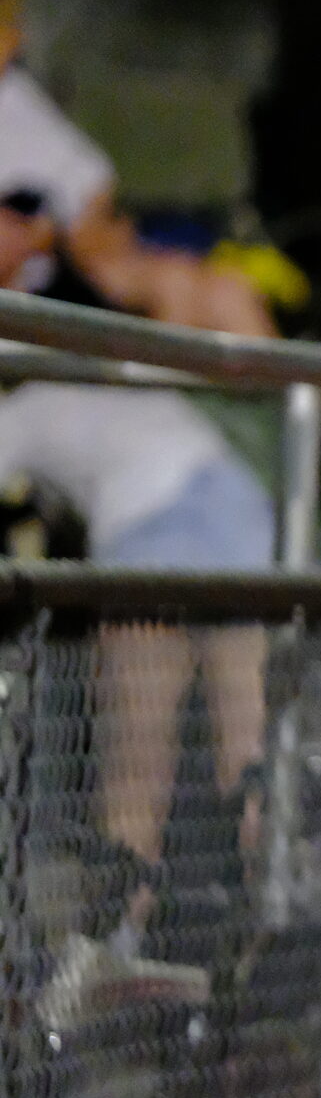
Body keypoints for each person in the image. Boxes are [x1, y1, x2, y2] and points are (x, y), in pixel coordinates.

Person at [0, 186, 271, 953]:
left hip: (176, 512)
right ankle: (214, 932)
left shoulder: (73, 307)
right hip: (201, 505)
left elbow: (161, 279)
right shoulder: (33, 385)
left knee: (165, 749)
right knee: (220, 746)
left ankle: (137, 938)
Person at [0, 0, 277, 338]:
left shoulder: (28, 112)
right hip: (39, 286)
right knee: (174, 285)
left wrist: (62, 231)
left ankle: (283, 377)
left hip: (75, 270)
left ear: (14, 37)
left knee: (226, 290)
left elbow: (91, 204)